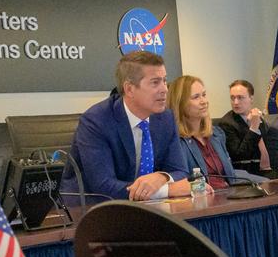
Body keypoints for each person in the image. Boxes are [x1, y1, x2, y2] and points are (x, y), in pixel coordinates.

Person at [71, 51, 190, 201]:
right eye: (155, 82)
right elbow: (103, 186)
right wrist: (166, 190)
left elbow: (179, 170)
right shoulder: (96, 121)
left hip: (146, 209)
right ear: (129, 89)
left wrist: (161, 177)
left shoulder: (165, 118)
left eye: (164, 81)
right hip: (93, 209)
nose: (165, 89)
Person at [170, 75, 267, 190]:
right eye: (196, 97)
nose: (204, 101)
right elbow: (181, 182)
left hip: (229, 194)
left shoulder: (216, 134)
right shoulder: (176, 141)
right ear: (180, 103)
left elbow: (230, 174)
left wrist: (266, 183)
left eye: (204, 95)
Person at [217, 79, 272, 178]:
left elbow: (270, 147)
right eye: (232, 98)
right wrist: (253, 129)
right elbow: (240, 156)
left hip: (269, 171)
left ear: (251, 98)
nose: (236, 102)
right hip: (246, 174)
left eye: (240, 98)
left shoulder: (258, 118)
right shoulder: (226, 124)